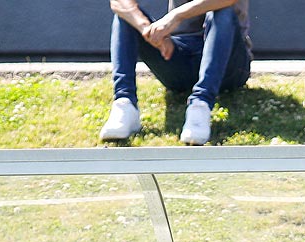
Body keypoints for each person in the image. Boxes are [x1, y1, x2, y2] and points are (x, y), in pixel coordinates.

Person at [100, 0, 253, 145]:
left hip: (229, 64)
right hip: (180, 55)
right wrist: (149, 31)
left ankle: (201, 105)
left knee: (222, 10)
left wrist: (176, 16)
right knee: (126, 14)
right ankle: (125, 103)